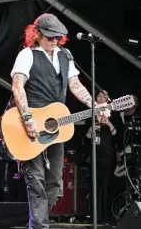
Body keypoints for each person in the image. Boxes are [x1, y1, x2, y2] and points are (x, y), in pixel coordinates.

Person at [10, 13, 109, 229]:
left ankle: (36, 223)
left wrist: (94, 105)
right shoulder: (27, 55)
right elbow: (17, 86)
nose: (54, 40)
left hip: (55, 124)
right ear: (37, 35)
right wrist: (27, 118)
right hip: (31, 122)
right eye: (49, 37)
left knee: (54, 182)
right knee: (35, 179)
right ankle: (40, 227)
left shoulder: (65, 55)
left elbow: (75, 84)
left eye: (57, 37)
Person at [85, 90, 116, 224]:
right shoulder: (90, 114)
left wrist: (107, 123)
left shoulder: (112, 114)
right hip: (94, 154)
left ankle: (107, 217)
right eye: (99, 96)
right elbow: (86, 136)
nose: (101, 98)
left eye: (104, 96)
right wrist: (94, 126)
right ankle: (94, 218)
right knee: (94, 186)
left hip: (107, 155)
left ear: (107, 100)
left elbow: (115, 134)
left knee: (106, 186)